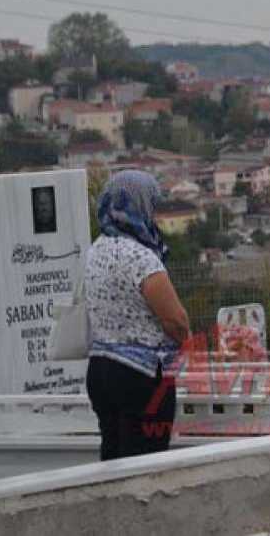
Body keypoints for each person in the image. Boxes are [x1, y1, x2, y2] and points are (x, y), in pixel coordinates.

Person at [84, 170, 192, 460]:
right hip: (140, 375)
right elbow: (176, 321)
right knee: (145, 461)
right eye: (152, 205)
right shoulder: (140, 257)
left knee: (113, 456)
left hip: (101, 368)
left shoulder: (96, 250)